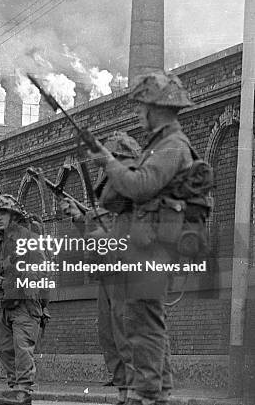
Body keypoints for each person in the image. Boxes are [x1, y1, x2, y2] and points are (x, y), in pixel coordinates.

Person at [87, 71, 204, 405]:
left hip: (155, 250)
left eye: (142, 107)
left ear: (158, 108)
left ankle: (149, 395)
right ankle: (158, 393)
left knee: (145, 326)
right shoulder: (159, 146)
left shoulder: (172, 146)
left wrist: (110, 162)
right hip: (146, 247)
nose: (139, 114)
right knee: (146, 323)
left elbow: (139, 187)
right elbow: (116, 198)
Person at [60, 131, 141, 405]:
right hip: (108, 275)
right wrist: (80, 219)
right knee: (108, 333)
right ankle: (123, 389)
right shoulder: (112, 204)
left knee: (126, 332)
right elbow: (96, 236)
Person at [0, 194, 48, 405]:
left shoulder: (29, 238)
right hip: (3, 303)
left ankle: (23, 391)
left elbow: (42, 269)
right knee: (5, 348)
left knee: (22, 346)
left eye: (3, 213)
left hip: (25, 303)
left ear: (13, 215)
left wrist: (20, 280)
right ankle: (14, 389)